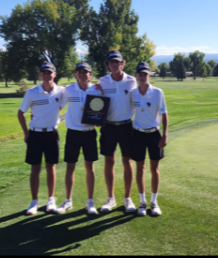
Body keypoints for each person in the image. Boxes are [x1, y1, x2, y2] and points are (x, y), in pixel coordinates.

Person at [17, 61, 65, 215]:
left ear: (54, 74)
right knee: (35, 168)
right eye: (44, 72)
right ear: (40, 75)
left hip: (52, 134)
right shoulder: (32, 92)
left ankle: (51, 200)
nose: (47, 75)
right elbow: (20, 113)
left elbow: (80, 89)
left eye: (49, 72)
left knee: (51, 167)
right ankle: (34, 201)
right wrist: (26, 133)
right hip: (35, 134)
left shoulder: (61, 91)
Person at [56, 61, 102, 215]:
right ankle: (68, 201)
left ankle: (90, 202)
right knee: (70, 167)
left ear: (90, 74)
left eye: (86, 72)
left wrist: (98, 121)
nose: (83, 74)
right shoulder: (68, 90)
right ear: (76, 74)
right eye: (80, 72)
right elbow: (58, 107)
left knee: (90, 167)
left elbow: (101, 110)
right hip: (73, 133)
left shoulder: (96, 90)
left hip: (89, 133)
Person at [97, 50, 137, 213]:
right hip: (108, 127)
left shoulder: (131, 81)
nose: (114, 64)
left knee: (127, 161)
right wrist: (96, 117)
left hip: (127, 126)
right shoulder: (103, 81)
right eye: (111, 62)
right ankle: (111, 198)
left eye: (117, 61)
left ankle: (127, 199)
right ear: (108, 65)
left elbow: (138, 100)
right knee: (109, 161)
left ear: (123, 63)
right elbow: (97, 101)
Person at [129, 61, 168, 216]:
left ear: (149, 75)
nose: (143, 76)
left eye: (146, 74)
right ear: (137, 76)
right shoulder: (133, 93)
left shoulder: (158, 92)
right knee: (140, 168)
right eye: (140, 74)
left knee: (154, 169)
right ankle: (142, 201)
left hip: (154, 134)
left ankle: (154, 201)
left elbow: (164, 114)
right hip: (138, 134)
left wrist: (165, 134)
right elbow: (126, 110)